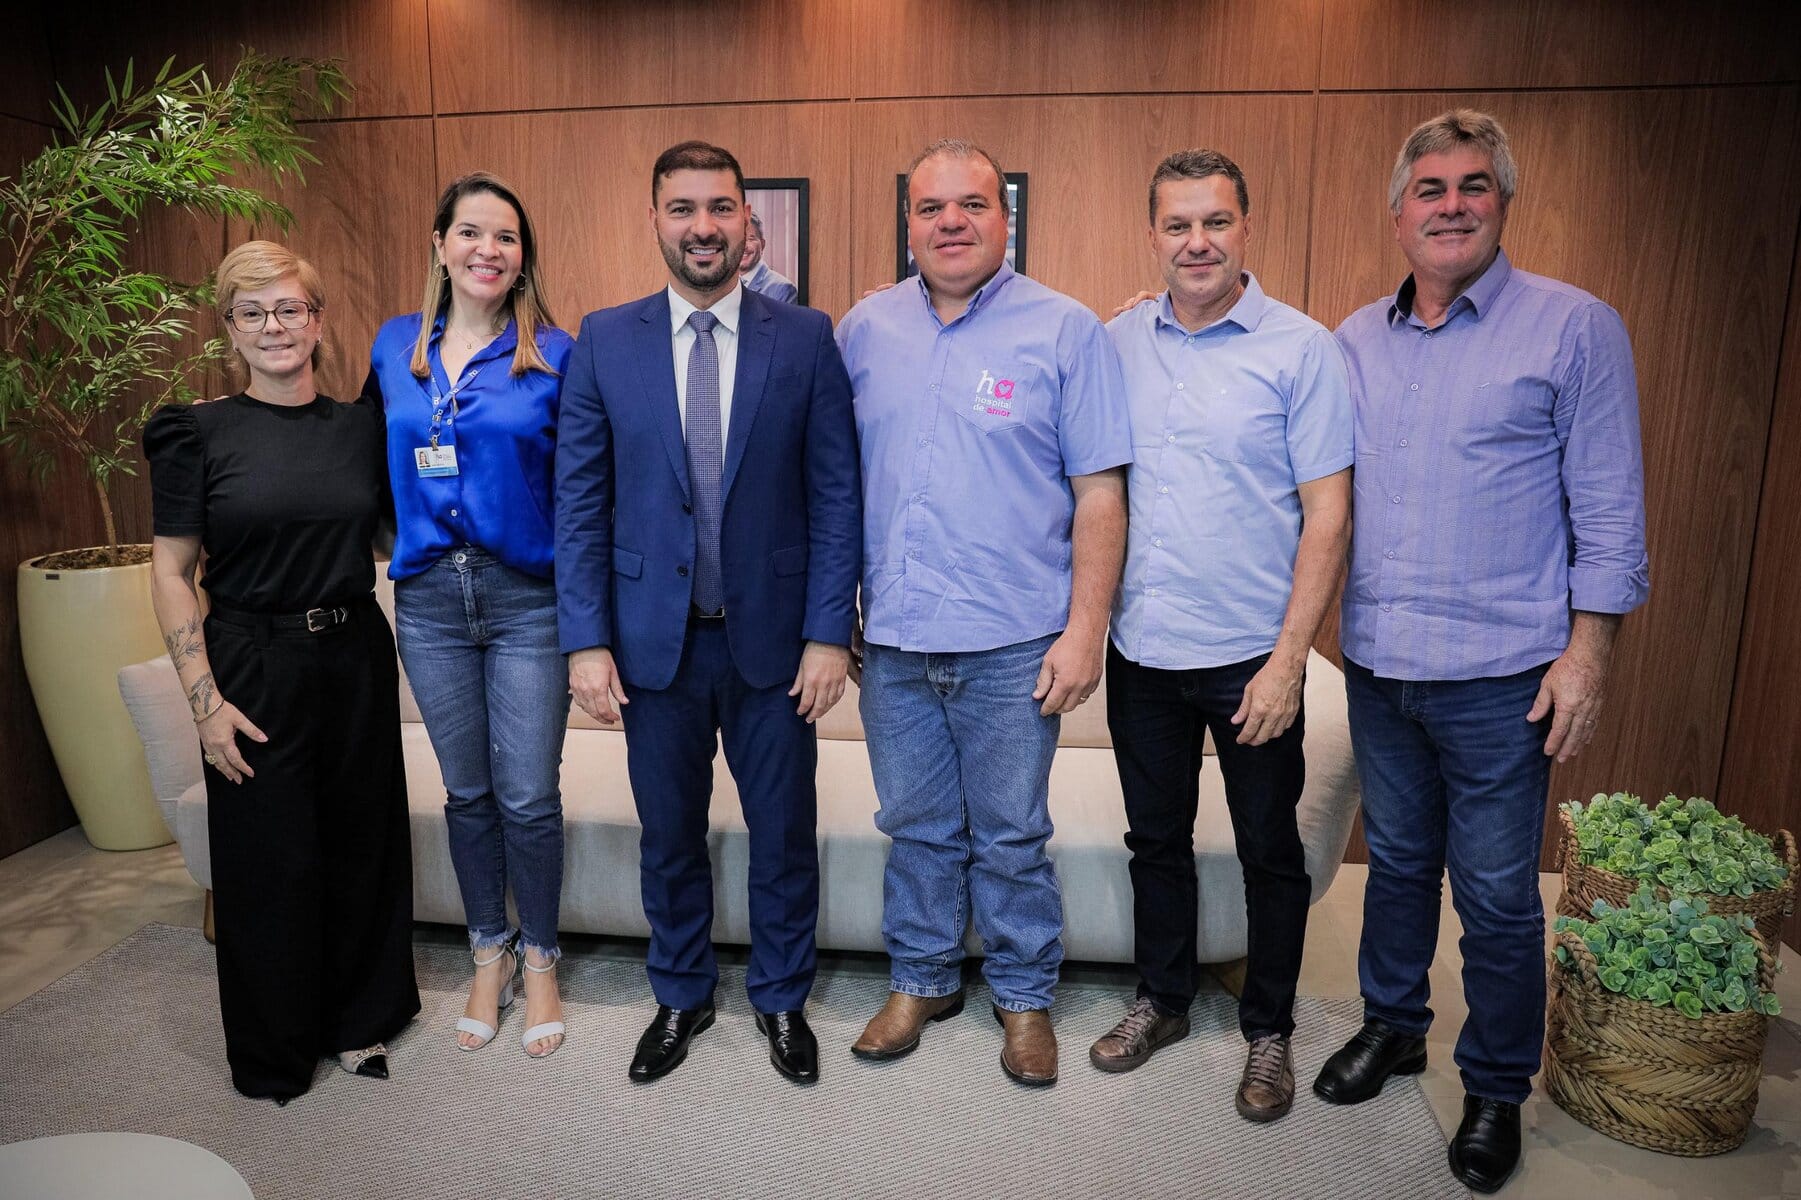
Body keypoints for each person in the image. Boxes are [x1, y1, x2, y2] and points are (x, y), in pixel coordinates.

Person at [1311, 110, 1648, 1194]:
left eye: (1471, 187)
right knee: (1396, 867)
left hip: (1505, 678)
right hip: (1379, 662)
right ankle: (1393, 1027)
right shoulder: (1353, 341)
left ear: (1503, 204)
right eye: (1429, 189)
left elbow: (1609, 508)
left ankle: (1496, 1087)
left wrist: (1586, 654)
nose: (1449, 206)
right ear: (1396, 213)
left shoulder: (1573, 328)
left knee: (1498, 897)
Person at [556, 141, 860, 1084]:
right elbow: (579, 502)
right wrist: (585, 641)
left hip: (775, 646)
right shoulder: (605, 338)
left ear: (745, 223)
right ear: (654, 220)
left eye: (720, 208)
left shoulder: (803, 337)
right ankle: (681, 993)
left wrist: (829, 633)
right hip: (654, 646)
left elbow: (836, 496)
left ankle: (781, 998)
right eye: (682, 208)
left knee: (783, 837)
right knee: (669, 837)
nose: (702, 227)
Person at [838, 138, 1131, 1086]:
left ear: (1003, 218)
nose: (951, 222)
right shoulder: (863, 330)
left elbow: (1099, 494)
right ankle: (921, 980)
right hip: (892, 637)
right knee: (915, 824)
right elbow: (832, 484)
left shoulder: (1065, 329)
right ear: (908, 223)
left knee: (1009, 834)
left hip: (1015, 640)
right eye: (931, 207)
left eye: (971, 204)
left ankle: (1023, 995)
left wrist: (1085, 631)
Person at [1091, 150, 1352, 1124]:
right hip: (1142, 652)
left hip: (1251, 657)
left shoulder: (1302, 350)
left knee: (1267, 851)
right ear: (1151, 234)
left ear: (1246, 227)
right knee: (1154, 842)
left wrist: (1289, 663)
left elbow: (1328, 515)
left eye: (1214, 221)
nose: (1195, 242)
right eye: (1176, 224)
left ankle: (1269, 1029)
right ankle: (1161, 1000)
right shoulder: (1115, 341)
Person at [144, 241, 419, 1104]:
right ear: (230, 329)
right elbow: (169, 571)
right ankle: (276, 1051)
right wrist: (204, 705)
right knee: (268, 860)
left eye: (290, 308)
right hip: (250, 660)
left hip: (354, 651)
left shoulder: (361, 428)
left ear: (318, 320)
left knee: (363, 844)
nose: (274, 327)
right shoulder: (196, 432)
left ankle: (362, 1019)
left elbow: (392, 534)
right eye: (252, 312)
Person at [362, 172, 574, 1059]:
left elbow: (581, 490)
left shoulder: (555, 355)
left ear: (524, 258)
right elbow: (363, 465)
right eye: (471, 233)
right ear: (440, 245)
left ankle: (542, 959)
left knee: (527, 795)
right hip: (429, 601)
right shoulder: (394, 347)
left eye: (506, 237)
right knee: (468, 793)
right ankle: (489, 951)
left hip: (528, 599)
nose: (489, 249)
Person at [738, 211, 798, 303]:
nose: (743, 247)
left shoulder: (783, 290)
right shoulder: (722, 286)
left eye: (750, 239)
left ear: (762, 245)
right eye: (737, 240)